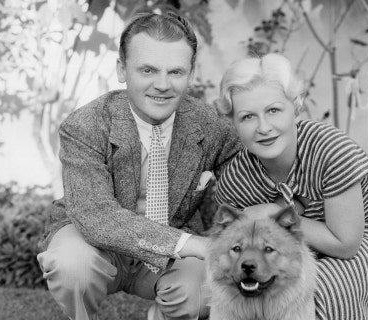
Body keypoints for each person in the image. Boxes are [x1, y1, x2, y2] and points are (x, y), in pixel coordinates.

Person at [37, 12, 241, 320]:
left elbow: (247, 181)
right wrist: (193, 244)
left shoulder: (213, 126)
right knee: (72, 265)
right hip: (95, 244)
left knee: (207, 290)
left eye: (175, 72)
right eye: (148, 70)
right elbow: (96, 217)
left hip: (175, 244)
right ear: (122, 69)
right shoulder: (85, 125)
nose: (162, 85)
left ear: (191, 73)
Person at [213, 53, 368, 320]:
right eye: (248, 117)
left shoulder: (330, 149)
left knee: (317, 291)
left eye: (273, 110)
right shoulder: (236, 182)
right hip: (308, 250)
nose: (263, 127)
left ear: (295, 106)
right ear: (233, 122)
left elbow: (346, 244)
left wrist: (269, 213)